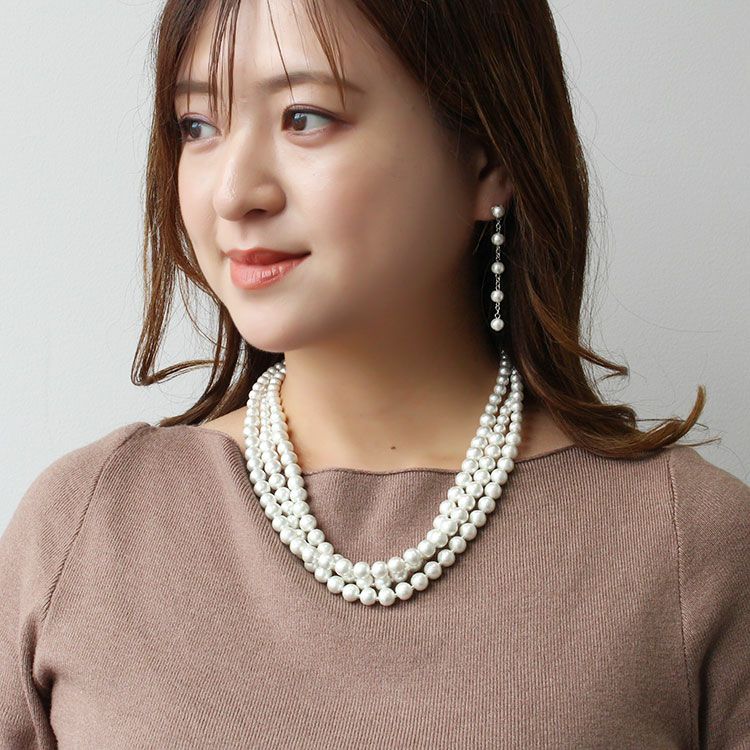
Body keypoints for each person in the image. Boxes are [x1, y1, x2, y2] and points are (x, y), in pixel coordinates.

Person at [2, 0, 748, 747]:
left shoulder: (689, 546)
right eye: (196, 125)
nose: (233, 192)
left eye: (305, 117)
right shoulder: (86, 528)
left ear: (488, 158)